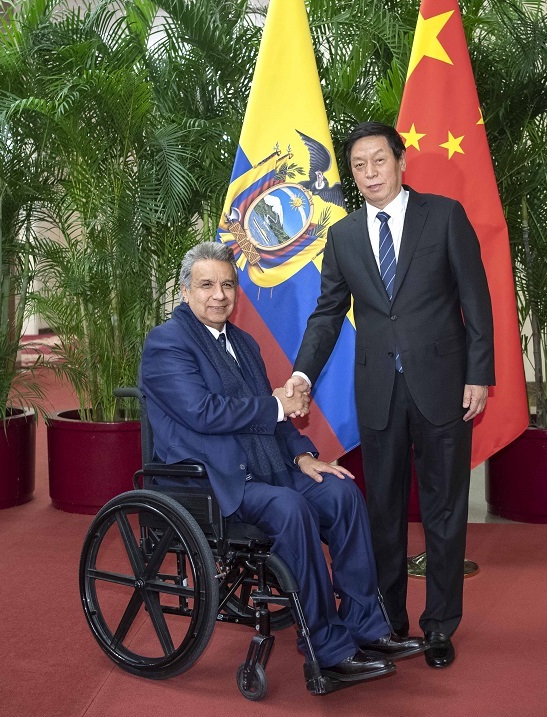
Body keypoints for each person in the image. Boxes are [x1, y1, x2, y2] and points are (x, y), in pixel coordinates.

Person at [139, 242, 426, 691]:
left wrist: (303, 455)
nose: (219, 295)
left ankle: (367, 626)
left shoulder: (243, 343)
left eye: (227, 285)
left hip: (269, 467)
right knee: (291, 509)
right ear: (185, 291)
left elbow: (274, 417)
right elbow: (202, 412)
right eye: (206, 285)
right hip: (212, 479)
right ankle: (327, 650)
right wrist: (276, 405)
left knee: (342, 492)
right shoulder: (166, 343)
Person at [287, 121, 494, 669]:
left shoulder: (443, 216)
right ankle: (388, 621)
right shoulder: (344, 236)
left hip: (443, 387)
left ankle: (440, 625)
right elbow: (327, 314)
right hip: (378, 391)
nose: (370, 172)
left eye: (379, 160)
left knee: (444, 509)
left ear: (401, 162)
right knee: (382, 511)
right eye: (359, 165)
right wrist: (302, 374)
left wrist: (479, 374)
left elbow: (476, 299)